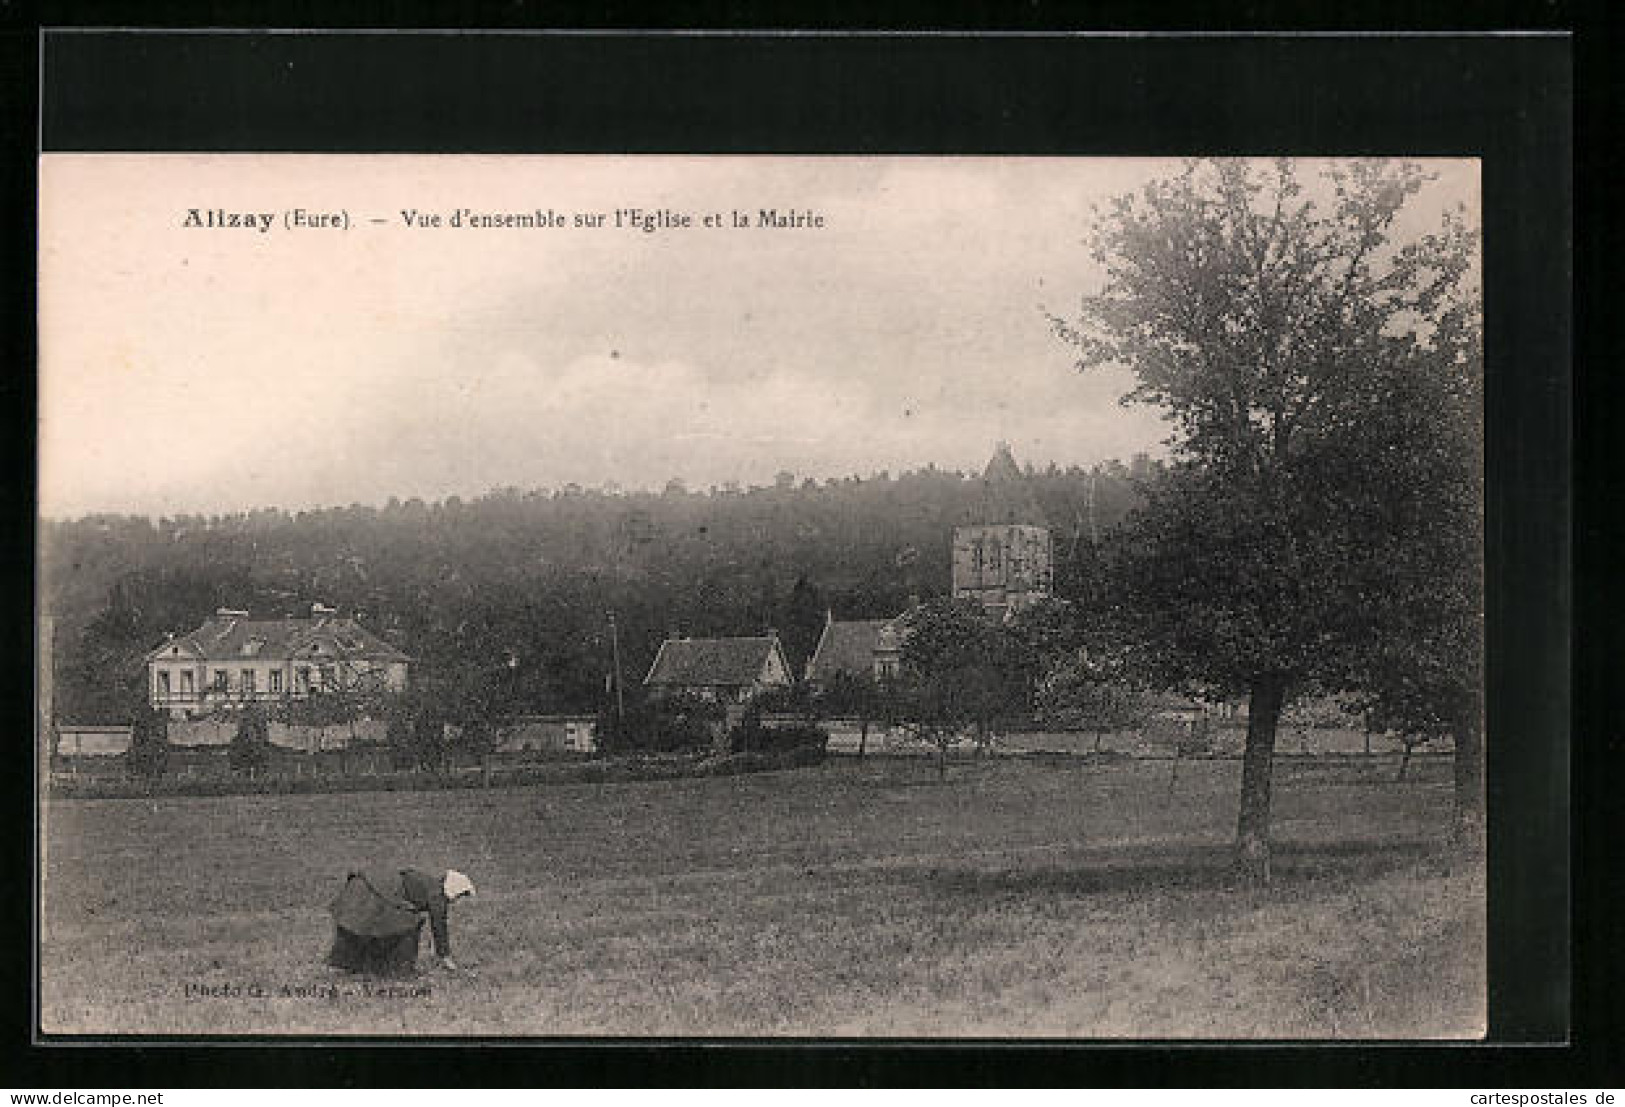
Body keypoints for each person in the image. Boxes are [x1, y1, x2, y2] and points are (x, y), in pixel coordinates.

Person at [327, 867, 475, 976]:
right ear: (454, 891)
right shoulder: (437, 895)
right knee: (408, 927)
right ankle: (398, 970)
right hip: (377, 891)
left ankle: (358, 965)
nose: (458, 900)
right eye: (461, 895)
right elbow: (439, 926)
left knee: (367, 925)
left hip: (368, 885)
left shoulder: (430, 883)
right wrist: (445, 956)